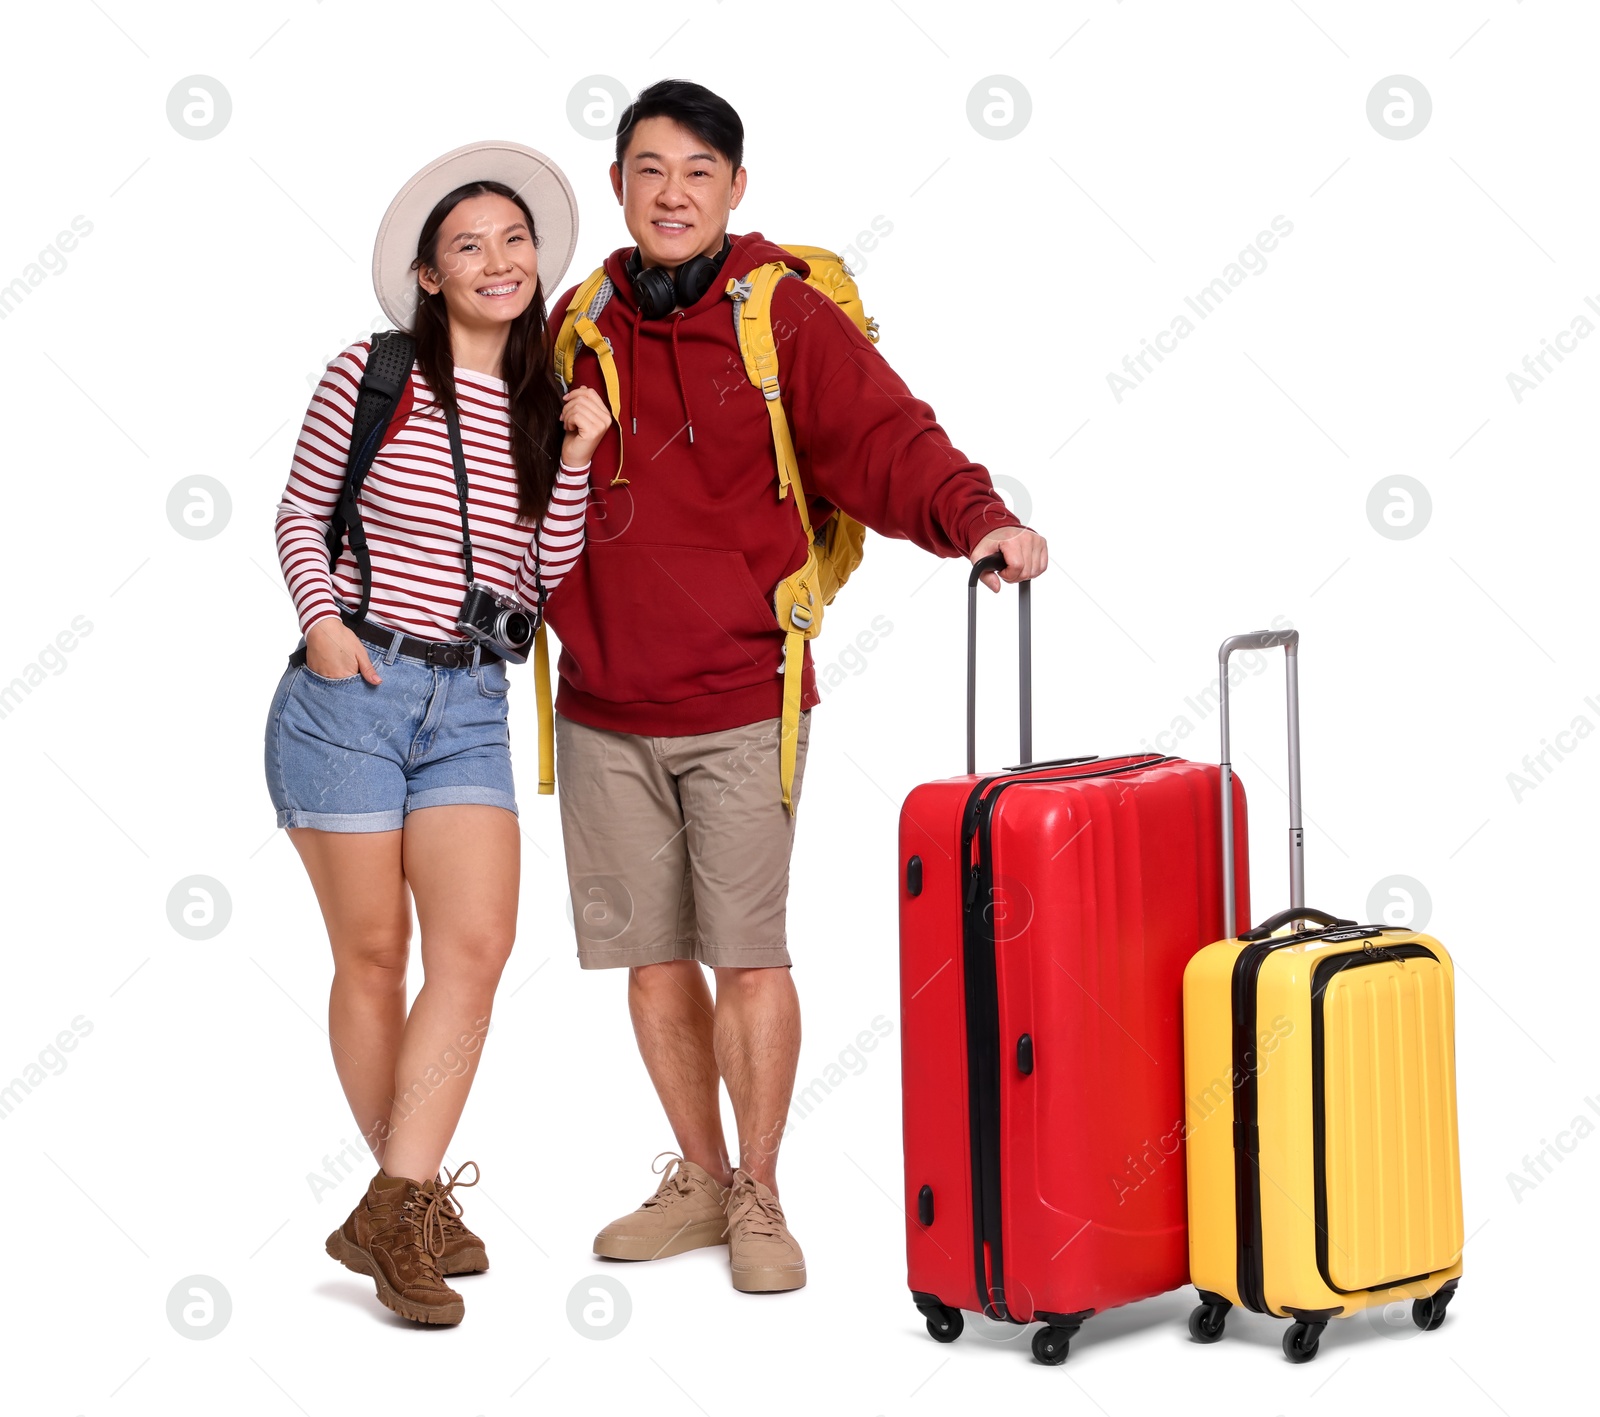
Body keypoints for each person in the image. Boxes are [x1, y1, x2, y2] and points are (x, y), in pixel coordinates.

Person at [546, 82, 1048, 1294]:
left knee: (747, 956)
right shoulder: (573, 323)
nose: (673, 193)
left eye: (699, 171)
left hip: (739, 697)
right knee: (653, 963)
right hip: (599, 700)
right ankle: (701, 1180)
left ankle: (762, 1191)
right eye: (650, 169)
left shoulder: (782, 316)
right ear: (617, 185)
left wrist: (976, 518)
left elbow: (886, 438)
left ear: (735, 189)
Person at [264, 141, 606, 1325]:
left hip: (469, 703)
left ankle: (391, 1201)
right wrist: (322, 625)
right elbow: (302, 511)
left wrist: (573, 454)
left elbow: (543, 574)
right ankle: (407, 1204)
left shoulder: (539, 394)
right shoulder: (372, 372)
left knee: (476, 948)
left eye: (516, 242)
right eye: (470, 245)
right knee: (373, 954)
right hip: (351, 690)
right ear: (428, 272)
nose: (498, 261)